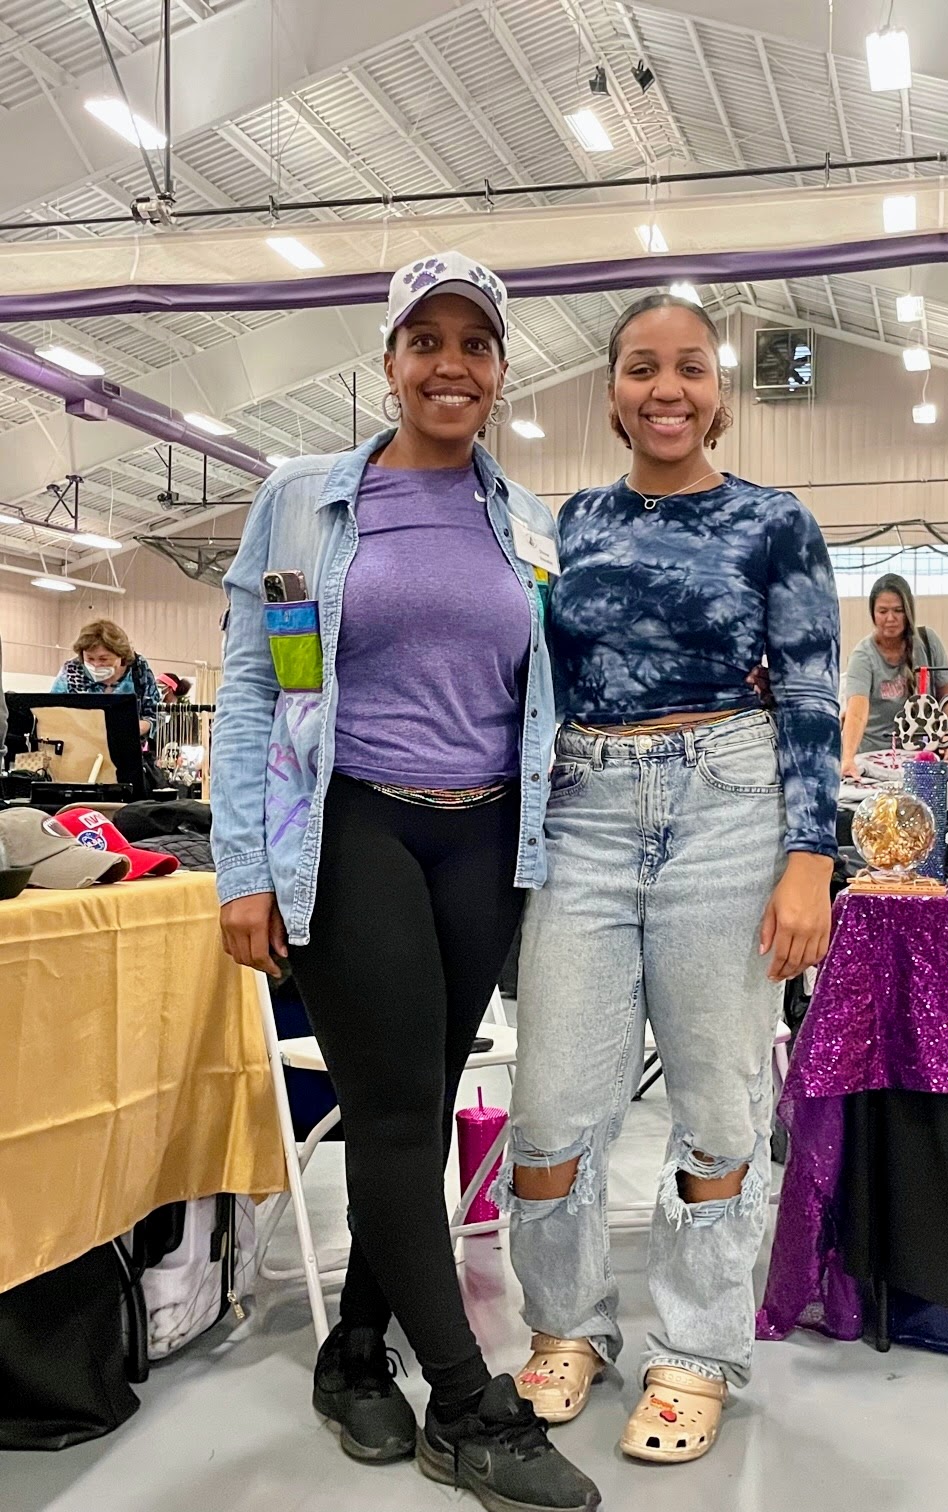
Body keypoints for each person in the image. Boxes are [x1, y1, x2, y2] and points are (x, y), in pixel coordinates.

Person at [210, 251, 599, 1512]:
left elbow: (546, 692)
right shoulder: (305, 501)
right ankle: (468, 1404)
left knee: (421, 1108)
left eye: (474, 344)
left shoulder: (526, 522)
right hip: (352, 824)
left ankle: (347, 1352)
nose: (449, 364)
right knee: (388, 1115)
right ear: (387, 364)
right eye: (423, 341)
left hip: (486, 841)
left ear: (498, 372)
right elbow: (261, 686)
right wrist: (243, 870)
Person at [500, 292, 840, 1466]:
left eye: (689, 369)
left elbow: (806, 693)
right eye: (641, 368)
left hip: (728, 809)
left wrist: (811, 857)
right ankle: (567, 1324)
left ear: (720, 392)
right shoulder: (565, 525)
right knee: (550, 1099)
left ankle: (695, 1349)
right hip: (585, 814)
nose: (666, 390)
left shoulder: (774, 522)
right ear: (609, 393)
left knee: (715, 1097)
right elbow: (528, 685)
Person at [839, 573, 948, 777]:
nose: (890, 618)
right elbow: (856, 713)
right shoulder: (863, 656)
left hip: (923, 759)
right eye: (883, 611)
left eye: (898, 611)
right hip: (874, 760)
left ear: (908, 612)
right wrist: (847, 759)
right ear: (873, 613)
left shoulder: (928, 643)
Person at [53, 619, 160, 737]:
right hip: (79, 747)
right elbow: (51, 711)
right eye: (90, 658)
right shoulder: (71, 670)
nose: (96, 665)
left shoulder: (138, 668)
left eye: (103, 659)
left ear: (121, 655)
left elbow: (156, 713)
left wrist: (139, 727)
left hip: (127, 748)